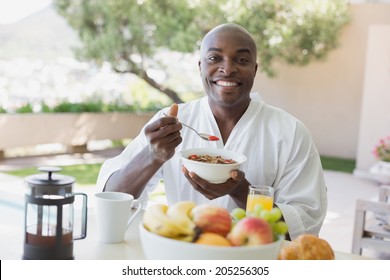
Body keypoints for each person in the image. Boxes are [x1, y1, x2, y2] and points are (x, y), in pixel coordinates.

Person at [96, 23, 327, 240]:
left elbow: (304, 224)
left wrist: (241, 191)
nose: (227, 69)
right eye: (215, 58)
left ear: (254, 69)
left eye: (242, 59)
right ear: (200, 67)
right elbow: (110, 198)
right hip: (183, 257)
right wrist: (152, 156)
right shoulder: (171, 122)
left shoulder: (290, 132)